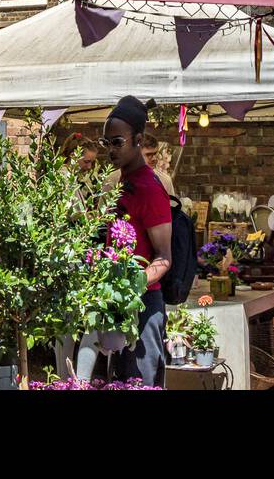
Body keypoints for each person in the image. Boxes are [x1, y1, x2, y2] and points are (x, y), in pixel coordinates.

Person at [100, 95, 173, 386]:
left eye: (117, 142)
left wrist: (133, 285)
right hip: (117, 306)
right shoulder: (119, 183)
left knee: (141, 382)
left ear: (138, 140)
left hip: (144, 307)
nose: (110, 150)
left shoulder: (150, 188)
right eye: (106, 143)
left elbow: (164, 256)